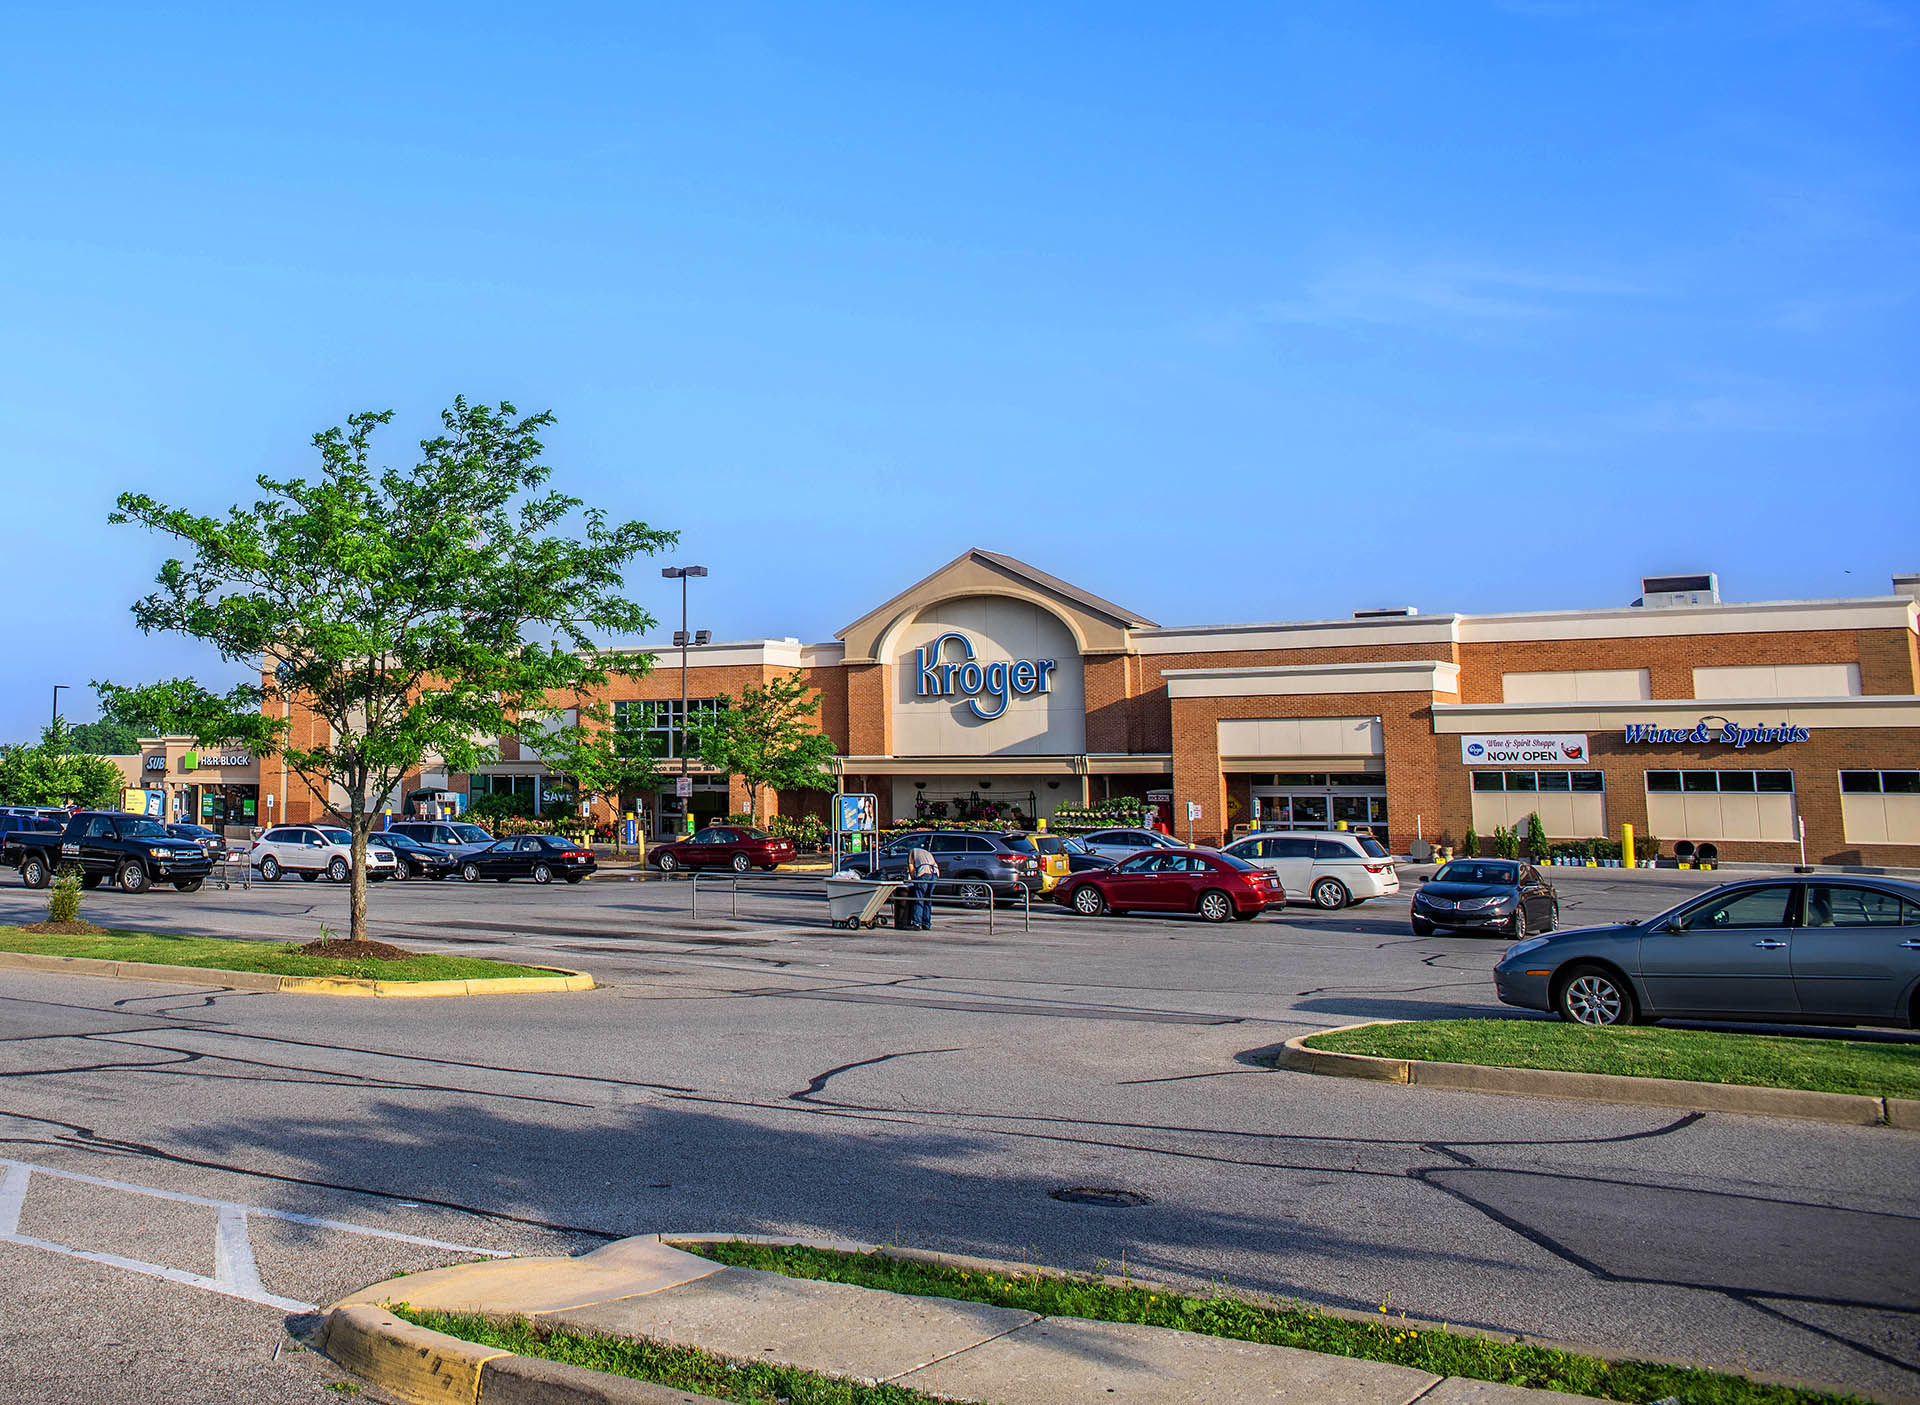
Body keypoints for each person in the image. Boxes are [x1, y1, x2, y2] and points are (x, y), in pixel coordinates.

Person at [907, 843, 938, 930]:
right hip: (934, 873)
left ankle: (917, 923)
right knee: (927, 899)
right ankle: (926, 923)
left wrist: (913, 879)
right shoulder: (926, 852)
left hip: (923, 873)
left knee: (919, 898)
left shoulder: (912, 852)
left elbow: (911, 867)